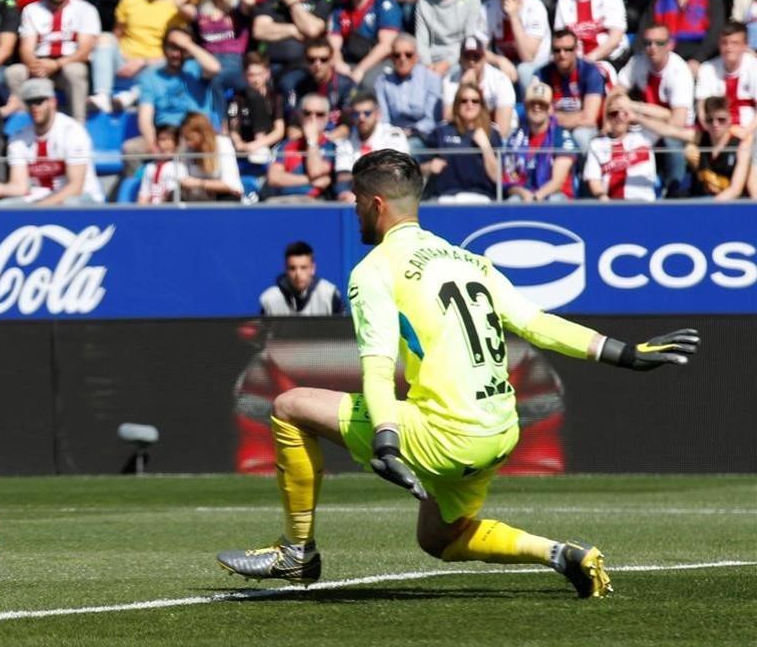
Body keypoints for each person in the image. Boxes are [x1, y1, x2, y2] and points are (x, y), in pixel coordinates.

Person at [216, 148, 700, 597]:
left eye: (358, 201)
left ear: (376, 204)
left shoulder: (375, 269)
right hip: (500, 433)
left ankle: (296, 553)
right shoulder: (469, 260)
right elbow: (537, 324)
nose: (355, 210)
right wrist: (625, 352)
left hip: (443, 434)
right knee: (438, 538)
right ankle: (560, 553)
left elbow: (380, 368)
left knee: (289, 407)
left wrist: (386, 437)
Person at [0, 77, 105, 204]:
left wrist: (41, 208)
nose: (34, 107)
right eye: (29, 102)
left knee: (70, 203)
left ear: (52, 102)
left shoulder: (73, 132)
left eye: (39, 101)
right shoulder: (19, 138)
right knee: (3, 206)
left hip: (82, 199)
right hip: (40, 198)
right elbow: (19, 186)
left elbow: (75, 188)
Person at [120, 26, 220, 179]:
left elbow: (215, 68)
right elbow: (145, 119)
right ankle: (141, 193)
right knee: (130, 149)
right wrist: (153, 144)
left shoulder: (196, 69)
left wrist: (187, 44)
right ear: (163, 48)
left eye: (180, 49)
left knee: (186, 147)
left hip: (194, 132)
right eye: (171, 47)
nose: (175, 54)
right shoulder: (150, 76)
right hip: (165, 134)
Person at [7, 0, 100, 123]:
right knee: (14, 73)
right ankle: (25, 124)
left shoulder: (86, 10)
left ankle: (78, 124)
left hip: (68, 64)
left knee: (75, 71)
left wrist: (57, 65)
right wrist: (35, 66)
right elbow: (26, 48)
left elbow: (85, 50)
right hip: (40, 65)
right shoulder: (31, 10)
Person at [616, 23, 696, 192]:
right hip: (648, 125)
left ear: (670, 45)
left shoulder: (679, 72)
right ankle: (628, 192)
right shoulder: (638, 61)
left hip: (678, 132)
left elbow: (676, 123)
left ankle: (674, 193)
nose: (652, 48)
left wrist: (635, 109)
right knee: (623, 138)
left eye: (659, 43)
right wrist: (660, 114)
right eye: (648, 43)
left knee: (671, 143)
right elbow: (616, 94)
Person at [90, 0, 181, 112]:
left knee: (170, 61)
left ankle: (132, 95)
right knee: (104, 38)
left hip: (153, 66)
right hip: (124, 64)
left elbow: (175, 49)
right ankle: (102, 95)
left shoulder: (175, 8)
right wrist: (121, 58)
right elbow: (117, 34)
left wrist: (143, 61)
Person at [176, 0, 255, 114]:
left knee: (216, 80)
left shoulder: (237, 12)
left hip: (233, 62)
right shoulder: (201, 15)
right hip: (208, 61)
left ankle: (220, 127)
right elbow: (178, 3)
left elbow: (250, 1)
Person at [252, 0, 334, 92]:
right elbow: (259, 30)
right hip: (271, 63)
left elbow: (313, 30)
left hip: (307, 64)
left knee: (289, 84)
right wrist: (294, 30)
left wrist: (293, 3)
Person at [423, 83, 502, 202]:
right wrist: (429, 167)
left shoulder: (492, 133)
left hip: (481, 198)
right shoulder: (441, 132)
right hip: (445, 198)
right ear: (456, 105)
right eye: (464, 100)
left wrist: (485, 146)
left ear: (481, 105)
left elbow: (497, 177)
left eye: (475, 101)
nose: (469, 104)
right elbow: (418, 168)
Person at [503, 83, 578, 201]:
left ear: (549, 108)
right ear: (526, 107)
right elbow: (509, 181)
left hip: (555, 195)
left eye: (542, 104)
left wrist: (535, 197)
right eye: (532, 103)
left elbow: (557, 182)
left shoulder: (561, 137)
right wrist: (523, 193)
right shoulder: (515, 139)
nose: (536, 107)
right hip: (525, 195)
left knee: (554, 201)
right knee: (513, 201)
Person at [328, 0, 402, 92]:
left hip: (380, 61)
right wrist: (338, 62)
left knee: (368, 84)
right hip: (350, 61)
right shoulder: (340, 8)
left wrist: (360, 69)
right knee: (334, 81)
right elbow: (333, 45)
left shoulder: (384, 3)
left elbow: (386, 46)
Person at [537, 29, 608, 150]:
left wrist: (554, 118)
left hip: (586, 129)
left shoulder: (590, 72)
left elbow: (589, 118)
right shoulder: (543, 73)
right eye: (557, 50)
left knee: (580, 135)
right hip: (556, 128)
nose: (562, 54)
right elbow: (540, 115)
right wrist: (576, 117)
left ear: (576, 50)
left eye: (568, 49)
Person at [638, 0, 724, 74]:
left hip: (702, 59)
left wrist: (698, 59)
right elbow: (643, 35)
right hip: (666, 61)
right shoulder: (658, 2)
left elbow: (715, 32)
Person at [583, 92, 660, 200]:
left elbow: (668, 118)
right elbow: (593, 179)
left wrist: (634, 112)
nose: (619, 117)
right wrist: (606, 203)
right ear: (608, 117)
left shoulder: (644, 135)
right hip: (613, 205)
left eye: (623, 112)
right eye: (613, 113)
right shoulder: (597, 144)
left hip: (643, 203)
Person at [334, 90, 409, 200]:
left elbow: (394, 173)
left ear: (378, 114)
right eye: (356, 114)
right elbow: (343, 177)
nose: (361, 118)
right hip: (356, 199)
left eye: (367, 113)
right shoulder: (346, 141)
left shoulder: (392, 135)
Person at [481, 0, 550, 90]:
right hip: (505, 62)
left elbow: (528, 57)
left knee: (523, 70)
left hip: (537, 64)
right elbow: (477, 49)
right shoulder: (488, 8)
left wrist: (513, 16)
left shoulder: (535, 7)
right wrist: (498, 60)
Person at [263, 94, 338, 202]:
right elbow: (274, 178)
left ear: (327, 117)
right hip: (282, 201)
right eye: (307, 113)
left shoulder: (332, 146)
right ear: (300, 115)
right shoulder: (287, 145)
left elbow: (315, 171)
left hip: (314, 202)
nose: (313, 118)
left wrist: (311, 141)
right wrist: (310, 181)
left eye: (319, 114)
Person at [375, 33, 442, 152]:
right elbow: (384, 119)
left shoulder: (431, 78)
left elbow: (431, 119)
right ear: (391, 57)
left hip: (422, 136)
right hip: (392, 136)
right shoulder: (382, 82)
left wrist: (411, 132)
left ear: (416, 56)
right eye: (397, 55)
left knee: (403, 151)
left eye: (408, 54)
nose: (402, 59)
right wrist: (395, 134)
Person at [441, 37, 516, 137]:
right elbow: (448, 118)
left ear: (484, 59)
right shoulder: (451, 80)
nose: (471, 62)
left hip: (497, 137)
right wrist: (463, 88)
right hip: (462, 135)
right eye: (467, 57)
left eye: (476, 57)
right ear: (460, 59)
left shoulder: (500, 80)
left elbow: (502, 130)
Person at [284, 38, 358, 136]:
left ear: (331, 60)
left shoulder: (346, 85)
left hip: (335, 141)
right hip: (305, 137)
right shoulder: (298, 85)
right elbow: (292, 127)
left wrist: (323, 142)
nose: (317, 64)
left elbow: (347, 126)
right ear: (305, 60)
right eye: (312, 60)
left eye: (323, 59)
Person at [695, 22, 757, 137]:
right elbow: (701, 109)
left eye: (735, 43)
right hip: (715, 133)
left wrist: (746, 133)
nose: (729, 48)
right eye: (724, 43)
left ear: (745, 45)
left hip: (749, 133)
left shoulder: (754, 67)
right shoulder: (707, 69)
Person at [413, 0, 483, 76]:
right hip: (430, 61)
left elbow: (469, 39)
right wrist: (427, 65)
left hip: (461, 59)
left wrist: (447, 63)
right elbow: (421, 42)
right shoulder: (423, 3)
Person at [685, 96, 752, 199]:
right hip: (699, 201)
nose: (715, 124)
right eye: (710, 120)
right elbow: (667, 130)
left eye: (721, 120)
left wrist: (711, 207)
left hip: (729, 205)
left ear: (730, 120)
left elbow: (735, 190)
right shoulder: (698, 139)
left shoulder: (740, 146)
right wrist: (687, 147)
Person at [553, 0, 628, 65]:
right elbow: (560, 41)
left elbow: (615, 38)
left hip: (609, 59)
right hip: (576, 64)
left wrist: (589, 59)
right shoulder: (563, 2)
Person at [228, 52, 286, 166]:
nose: (255, 79)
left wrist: (258, 144)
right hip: (245, 145)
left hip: (268, 146)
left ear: (267, 74)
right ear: (244, 75)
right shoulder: (238, 97)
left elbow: (279, 131)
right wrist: (239, 143)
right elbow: (233, 126)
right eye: (251, 75)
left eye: (259, 74)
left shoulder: (275, 96)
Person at [258, 240, 344, 316]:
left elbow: (342, 332)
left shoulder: (329, 294)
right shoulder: (269, 299)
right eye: (292, 268)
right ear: (285, 268)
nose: (298, 274)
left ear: (313, 268)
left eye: (303, 267)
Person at [178, 110, 242, 201]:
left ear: (202, 133)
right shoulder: (186, 151)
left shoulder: (223, 144)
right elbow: (183, 179)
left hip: (222, 198)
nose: (188, 143)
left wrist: (199, 184)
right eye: (185, 138)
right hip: (197, 198)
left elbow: (231, 184)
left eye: (190, 138)